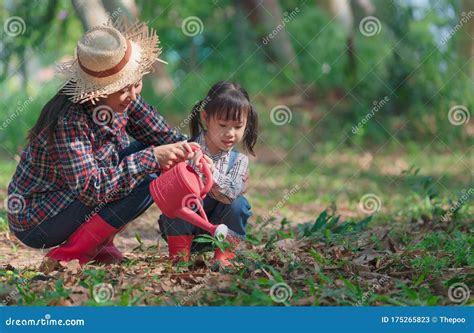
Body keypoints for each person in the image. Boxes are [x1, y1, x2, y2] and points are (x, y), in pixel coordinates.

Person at [6, 18, 210, 265]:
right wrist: (153, 158)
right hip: (39, 219)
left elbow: (164, 136)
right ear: (98, 92)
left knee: (151, 163)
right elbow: (93, 189)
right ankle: (71, 254)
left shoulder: (125, 98)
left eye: (137, 84)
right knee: (146, 179)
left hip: (74, 198)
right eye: (123, 89)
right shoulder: (68, 122)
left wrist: (191, 151)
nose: (133, 95)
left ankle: (99, 245)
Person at [157, 80, 258, 267]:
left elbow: (232, 194)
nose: (230, 133)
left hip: (217, 229)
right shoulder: (185, 149)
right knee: (181, 196)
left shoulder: (240, 161)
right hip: (183, 227)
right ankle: (180, 257)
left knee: (239, 203)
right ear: (205, 118)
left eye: (238, 127)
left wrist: (213, 173)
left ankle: (224, 256)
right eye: (222, 124)